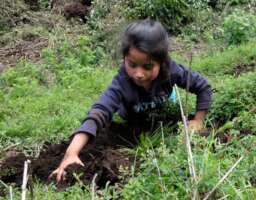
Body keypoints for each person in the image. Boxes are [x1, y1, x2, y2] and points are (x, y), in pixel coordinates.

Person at [50, 19, 213, 182]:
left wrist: (198, 120)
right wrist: (71, 153)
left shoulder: (171, 70)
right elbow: (98, 113)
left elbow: (203, 87)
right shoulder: (121, 84)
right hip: (133, 116)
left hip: (163, 102)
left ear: (161, 62)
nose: (138, 74)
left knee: (170, 103)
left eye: (147, 66)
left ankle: (168, 98)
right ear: (124, 58)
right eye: (132, 64)